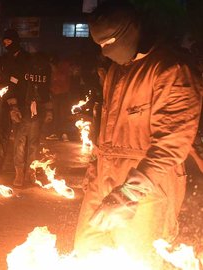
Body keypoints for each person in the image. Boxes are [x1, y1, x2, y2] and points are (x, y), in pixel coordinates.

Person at [74, 1, 202, 266]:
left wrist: (129, 194)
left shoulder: (171, 70)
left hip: (148, 189)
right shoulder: (116, 71)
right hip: (104, 179)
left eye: (109, 42)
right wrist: (94, 172)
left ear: (132, 31)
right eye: (99, 45)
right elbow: (106, 133)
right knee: (87, 251)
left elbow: (171, 144)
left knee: (137, 259)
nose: (105, 51)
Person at [3, 29, 53, 186]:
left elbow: (46, 91)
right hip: (22, 110)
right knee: (19, 143)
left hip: (36, 113)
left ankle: (30, 172)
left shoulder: (42, 70)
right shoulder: (19, 66)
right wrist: (13, 107)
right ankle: (19, 173)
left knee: (33, 144)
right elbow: (11, 86)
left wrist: (49, 110)